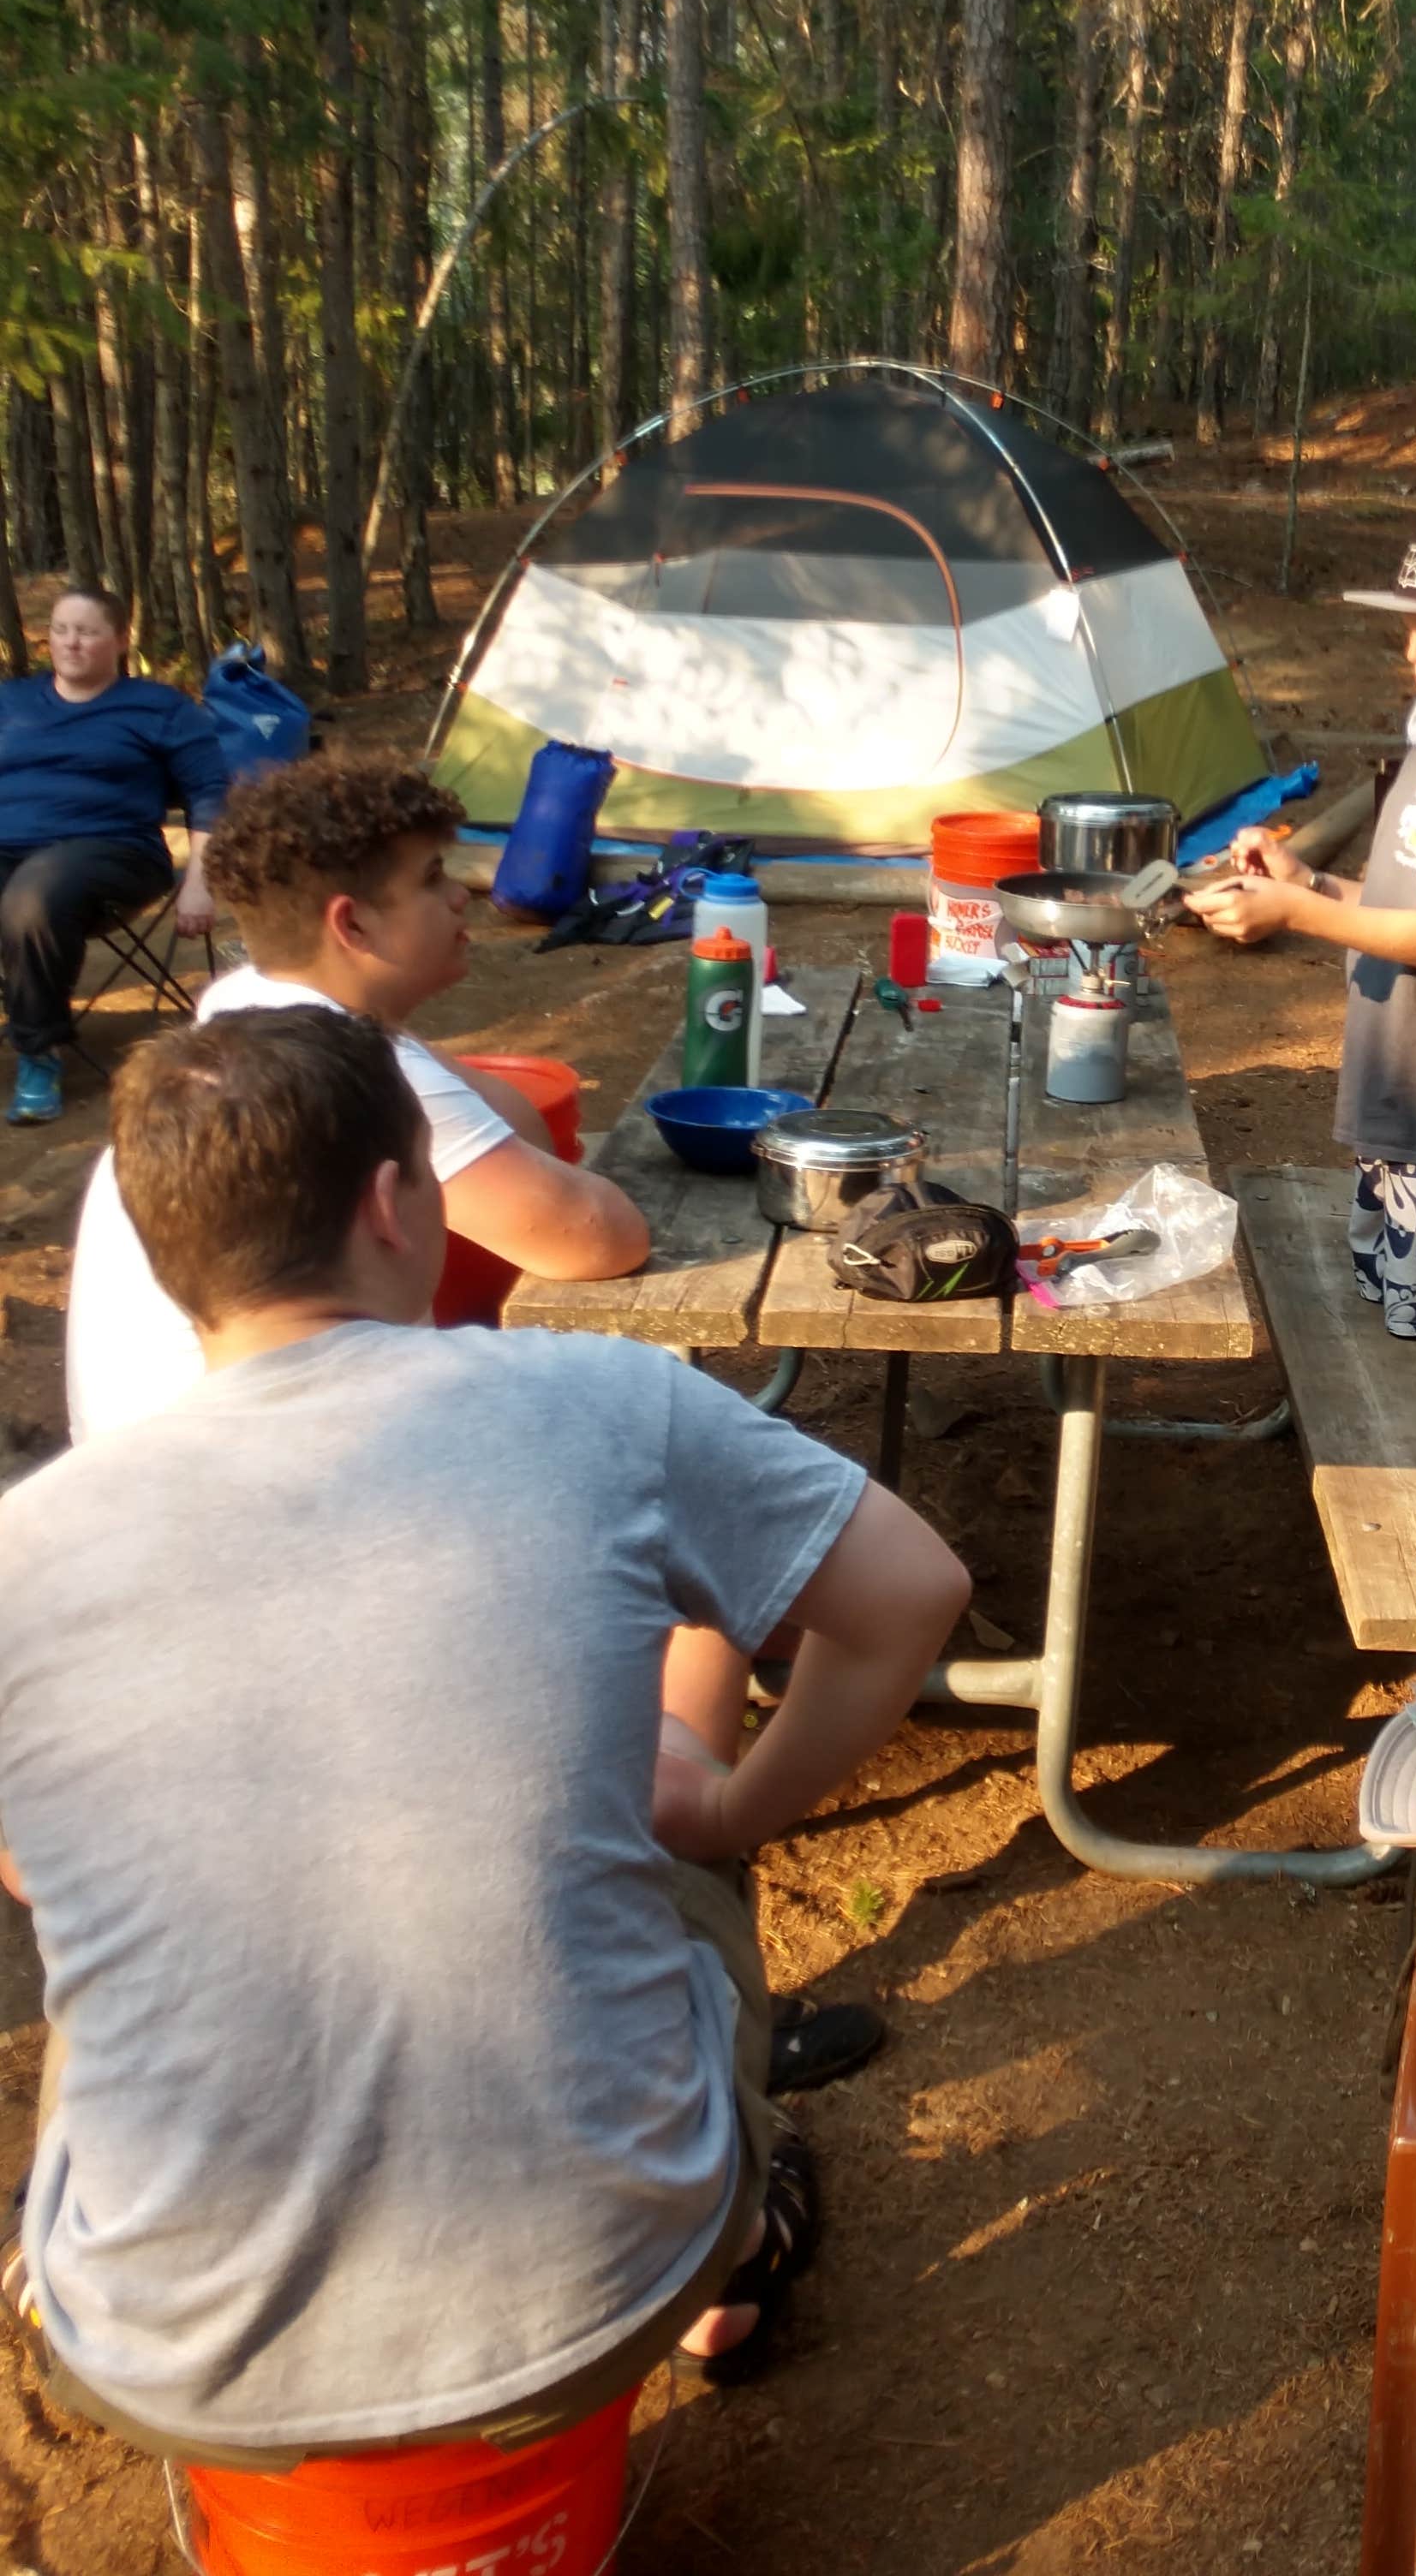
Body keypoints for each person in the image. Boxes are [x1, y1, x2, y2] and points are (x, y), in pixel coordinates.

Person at [0, 1007, 970, 2459]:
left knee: (105, 1950)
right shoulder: (597, 1398)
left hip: (162, 2360)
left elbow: (33, 1867)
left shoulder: (30, 1543)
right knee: (674, 1814)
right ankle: (730, 2258)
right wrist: (729, 1809)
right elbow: (914, 1592)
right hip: (589, 2294)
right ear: (399, 1202)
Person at [65, 755, 648, 1446]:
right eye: (431, 878)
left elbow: (518, 1127)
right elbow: (596, 1238)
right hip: (266, 1490)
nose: (462, 896)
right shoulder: (344, 1068)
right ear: (353, 926)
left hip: (174, 1467)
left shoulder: (251, 1010)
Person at [1198, 517, 1416, 1458]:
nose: (1414, 644)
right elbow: (1395, 902)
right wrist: (1303, 879)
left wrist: (1288, 916)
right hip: (1400, 1083)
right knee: (1407, 1303)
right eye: (1408, 623)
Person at [0, 587, 232, 1129]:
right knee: (23, 892)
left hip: (112, 854)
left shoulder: (161, 709)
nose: (70, 642)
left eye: (86, 631)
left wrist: (201, 881)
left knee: (34, 898)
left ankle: (37, 1053)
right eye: (60, 629)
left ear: (120, 640)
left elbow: (210, 794)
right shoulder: (12, 701)